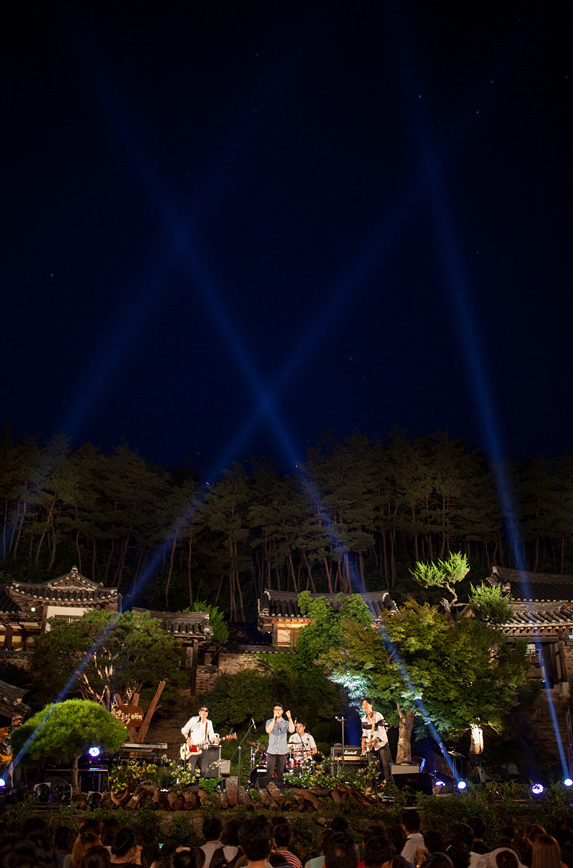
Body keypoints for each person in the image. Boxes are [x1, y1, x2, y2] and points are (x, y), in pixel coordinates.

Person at [181, 705, 220, 777]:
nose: (204, 712)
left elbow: (211, 735)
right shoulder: (194, 720)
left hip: (203, 748)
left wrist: (215, 740)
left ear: (207, 714)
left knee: (204, 771)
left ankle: (201, 783)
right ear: (199, 712)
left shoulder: (209, 723)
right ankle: (190, 782)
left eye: (206, 711)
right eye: (202, 710)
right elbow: (184, 730)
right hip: (193, 748)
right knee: (191, 770)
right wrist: (188, 740)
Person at [361, 698, 392, 785]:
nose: (364, 706)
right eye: (363, 705)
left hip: (381, 743)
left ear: (371, 705)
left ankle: (389, 786)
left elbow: (381, 732)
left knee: (386, 765)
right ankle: (372, 787)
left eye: (366, 704)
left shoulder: (378, 716)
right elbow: (365, 732)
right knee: (371, 766)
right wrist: (363, 741)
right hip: (371, 745)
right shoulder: (363, 719)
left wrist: (375, 740)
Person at [265, 704, 295, 784]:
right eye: (275, 709)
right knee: (269, 772)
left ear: (282, 711)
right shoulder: (269, 721)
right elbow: (268, 730)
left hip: (282, 750)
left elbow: (292, 730)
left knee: (280, 772)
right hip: (272, 750)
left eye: (279, 710)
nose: (277, 711)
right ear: (273, 711)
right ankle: (267, 786)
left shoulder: (285, 723)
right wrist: (274, 719)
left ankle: (280, 788)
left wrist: (289, 718)